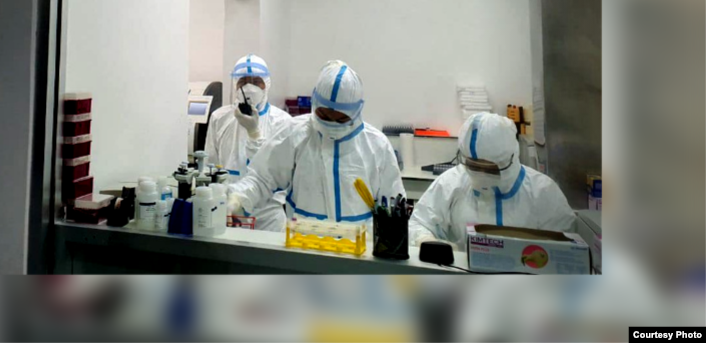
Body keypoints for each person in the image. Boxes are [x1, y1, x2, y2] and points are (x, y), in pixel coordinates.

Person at [227, 60, 405, 237]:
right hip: (303, 244)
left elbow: (393, 203)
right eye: (324, 115)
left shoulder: (376, 145)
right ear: (314, 103)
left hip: (359, 249)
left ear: (356, 112)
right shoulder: (295, 133)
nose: (331, 124)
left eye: (340, 119)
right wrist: (238, 198)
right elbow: (262, 179)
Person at [409, 112, 576, 251]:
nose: (481, 175)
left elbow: (567, 246)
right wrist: (425, 240)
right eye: (473, 166)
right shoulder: (452, 183)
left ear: (510, 159)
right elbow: (420, 222)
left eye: (490, 169)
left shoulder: (542, 192)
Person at [204, 54, 292, 231]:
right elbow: (210, 165)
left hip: (268, 215)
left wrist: (254, 133)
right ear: (235, 85)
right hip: (228, 209)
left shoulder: (283, 121)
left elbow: (275, 173)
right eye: (243, 81)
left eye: (256, 81)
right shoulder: (219, 118)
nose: (249, 87)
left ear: (266, 84)